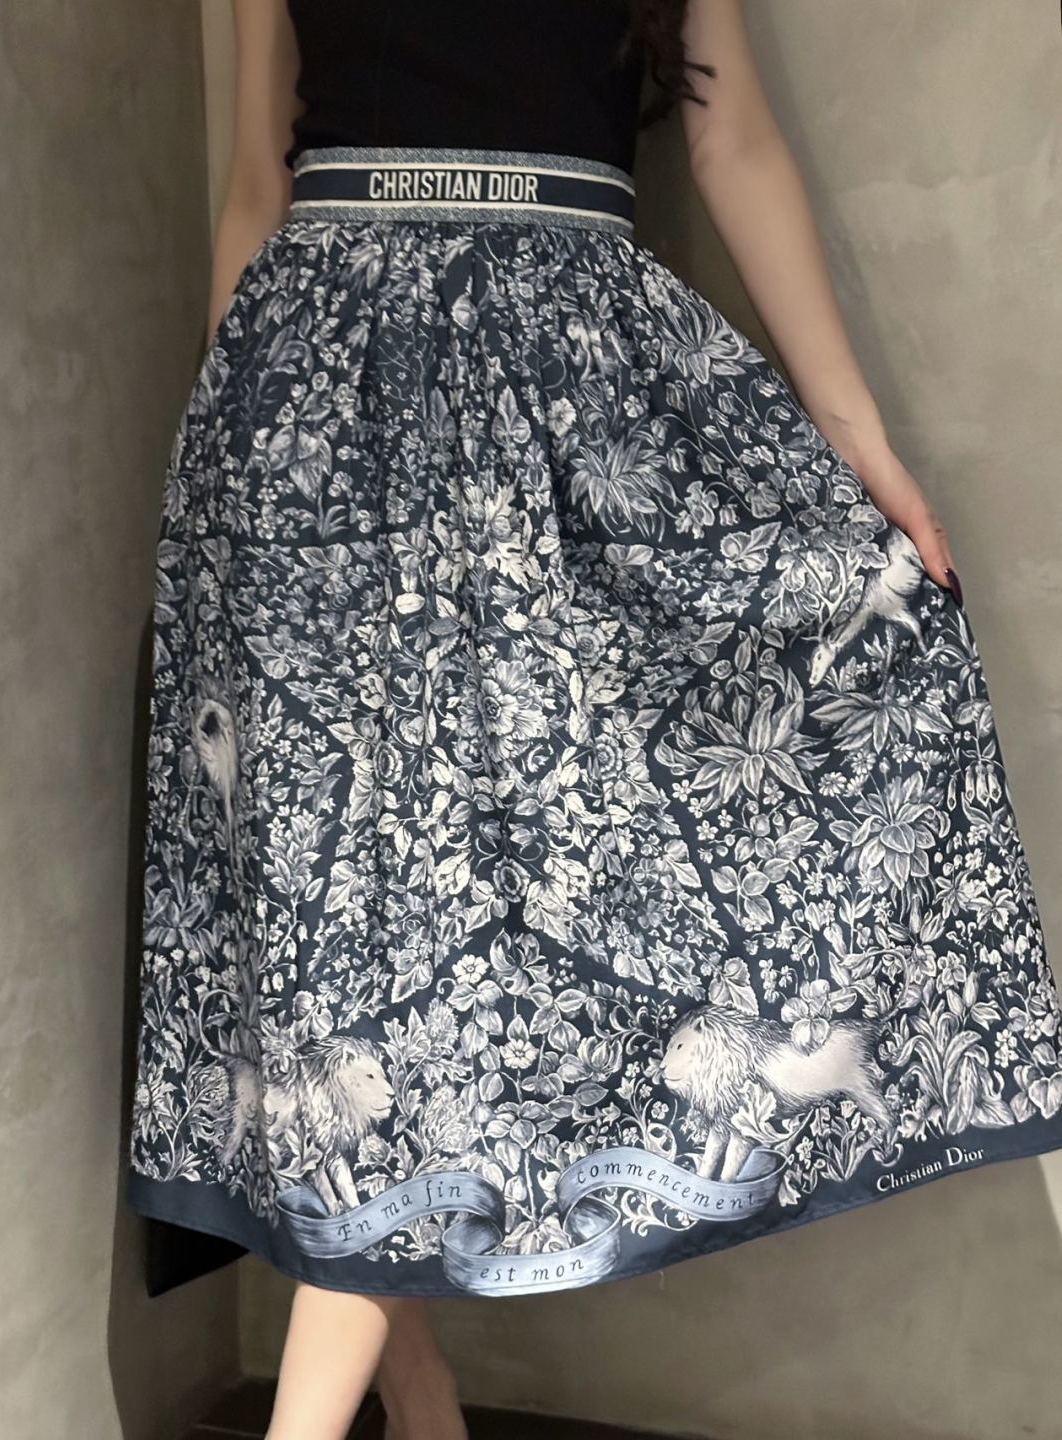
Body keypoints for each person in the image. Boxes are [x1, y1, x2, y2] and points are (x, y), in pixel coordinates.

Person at [124, 3, 1062, 1437]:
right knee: (333, 956)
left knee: (439, 940)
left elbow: (732, 139)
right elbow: (258, 175)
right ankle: (416, 1391)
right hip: (318, 417)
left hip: (573, 411)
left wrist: (863, 448)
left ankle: (392, 1399)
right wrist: (231, 486)